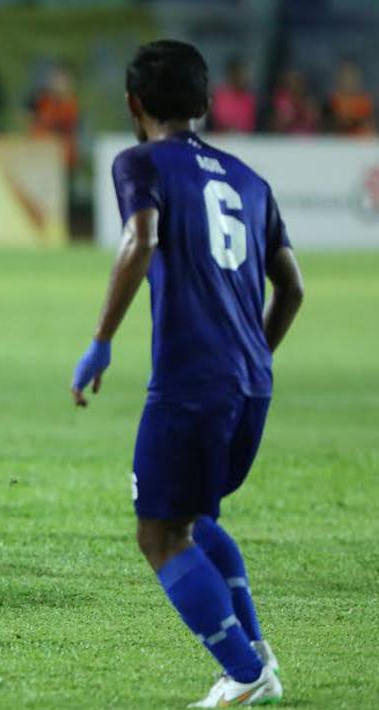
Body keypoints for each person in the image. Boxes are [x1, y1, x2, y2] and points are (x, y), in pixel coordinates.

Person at [70, 40, 303, 706]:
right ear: (204, 103)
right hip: (249, 381)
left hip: (190, 381)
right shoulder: (249, 179)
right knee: (194, 519)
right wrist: (250, 355)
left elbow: (139, 239)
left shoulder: (139, 162)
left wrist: (101, 340)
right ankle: (256, 657)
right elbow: (291, 288)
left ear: (132, 103)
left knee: (158, 534)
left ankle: (243, 671)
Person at [327, 58, 375, 136]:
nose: (348, 80)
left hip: (360, 142)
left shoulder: (365, 101)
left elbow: (367, 123)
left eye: (351, 77)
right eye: (345, 76)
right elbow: (333, 124)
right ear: (339, 79)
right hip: (338, 142)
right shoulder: (332, 101)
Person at [209, 58, 256, 133]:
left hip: (246, 140)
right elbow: (218, 120)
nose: (245, 78)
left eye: (246, 74)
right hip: (220, 139)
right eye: (241, 74)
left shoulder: (249, 98)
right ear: (232, 74)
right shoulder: (219, 95)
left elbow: (251, 124)